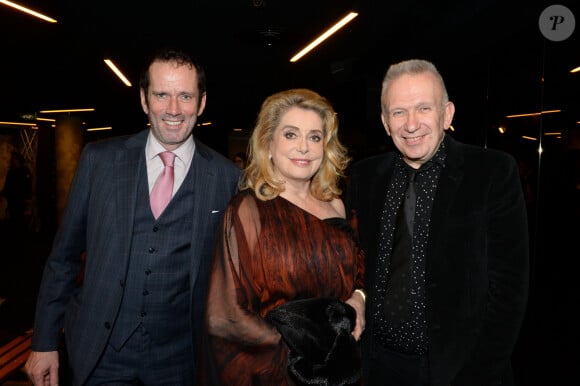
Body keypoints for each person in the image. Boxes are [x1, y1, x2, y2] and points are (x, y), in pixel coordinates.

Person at [24, 47, 241, 386]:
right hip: (100, 352)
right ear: (144, 99)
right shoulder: (100, 161)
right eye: (161, 95)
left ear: (201, 103)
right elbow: (63, 258)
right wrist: (44, 341)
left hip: (181, 359)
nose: (173, 109)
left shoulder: (228, 179)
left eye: (185, 96)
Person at [345, 59, 529, 386]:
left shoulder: (491, 172)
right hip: (379, 366)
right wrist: (358, 295)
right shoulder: (364, 176)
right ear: (386, 123)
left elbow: (510, 289)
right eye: (398, 112)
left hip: (462, 369)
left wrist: (478, 372)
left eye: (423, 108)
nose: (411, 124)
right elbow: (356, 257)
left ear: (447, 114)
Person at [199, 88, 366, 385]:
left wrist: (360, 298)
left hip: (341, 368)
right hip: (279, 372)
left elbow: (359, 272)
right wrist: (302, 352)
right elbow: (225, 315)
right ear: (269, 145)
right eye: (291, 134)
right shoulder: (248, 209)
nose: (304, 147)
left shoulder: (338, 205)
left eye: (315, 137)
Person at [1, 151, 32, 231]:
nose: (13, 160)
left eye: (15, 158)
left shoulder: (25, 171)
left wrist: (27, 198)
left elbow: (27, 185)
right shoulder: (11, 172)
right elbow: (8, 185)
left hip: (21, 199)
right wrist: (4, 194)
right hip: (12, 199)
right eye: (13, 158)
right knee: (13, 219)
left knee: (20, 219)